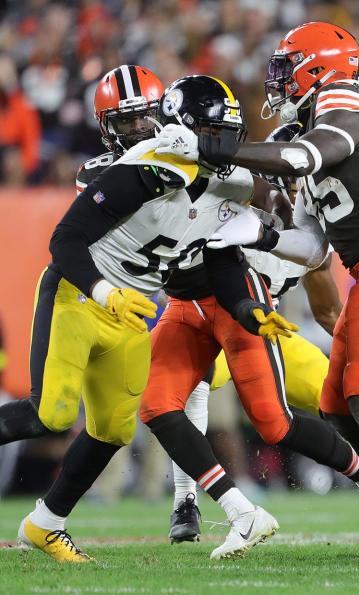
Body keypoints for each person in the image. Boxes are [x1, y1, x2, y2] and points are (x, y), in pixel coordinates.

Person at [157, 22, 359, 564]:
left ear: (316, 67)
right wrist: (261, 234)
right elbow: (315, 246)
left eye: (285, 67)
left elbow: (301, 158)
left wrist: (206, 144)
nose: (277, 81)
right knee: (339, 408)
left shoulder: (342, 105)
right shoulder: (309, 127)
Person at [0, 66, 280, 563]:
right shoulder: (151, 164)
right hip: (83, 294)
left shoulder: (230, 184)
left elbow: (218, 257)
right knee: (53, 414)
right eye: (211, 134)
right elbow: (65, 240)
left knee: (114, 428)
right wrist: (105, 292)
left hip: (133, 310)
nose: (223, 145)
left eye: (227, 135)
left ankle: (45, 524)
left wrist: (246, 308)